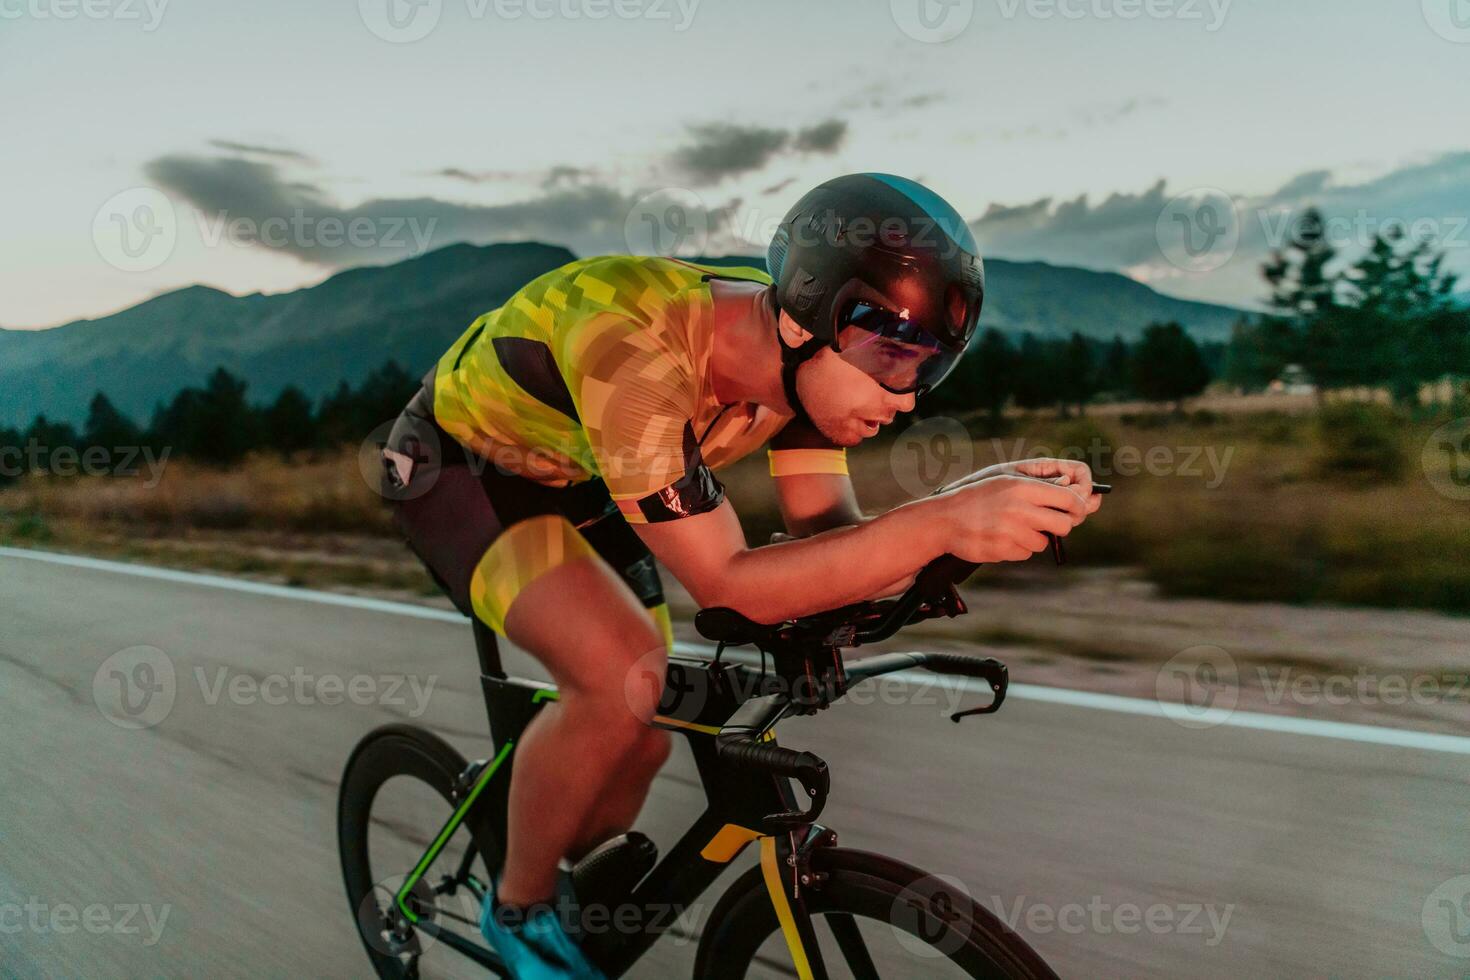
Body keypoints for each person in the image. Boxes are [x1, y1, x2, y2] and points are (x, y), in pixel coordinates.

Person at [379, 173, 1103, 978]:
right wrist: (936, 522)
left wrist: (961, 512)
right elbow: (726, 581)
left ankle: (555, 858)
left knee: (642, 738)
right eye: (893, 358)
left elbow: (830, 543)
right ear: (806, 323)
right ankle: (516, 910)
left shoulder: (799, 368)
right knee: (618, 680)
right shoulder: (637, 355)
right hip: (466, 473)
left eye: (928, 367)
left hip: (590, 478)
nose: (907, 399)